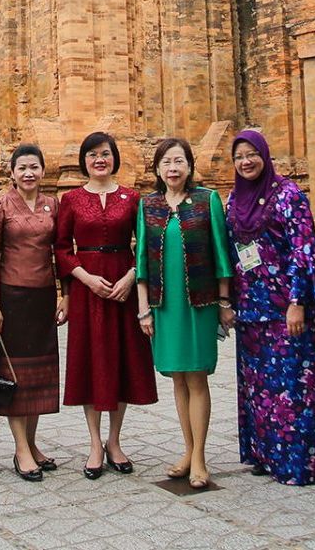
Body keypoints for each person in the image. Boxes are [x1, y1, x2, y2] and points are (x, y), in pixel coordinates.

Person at [226, 128, 315, 486]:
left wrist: (297, 302)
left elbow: (304, 249)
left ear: (265, 155)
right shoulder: (233, 200)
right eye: (239, 157)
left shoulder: (288, 194)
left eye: (251, 154)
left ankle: (301, 463)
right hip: (252, 305)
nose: (246, 162)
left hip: (289, 305)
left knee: (296, 385)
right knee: (259, 386)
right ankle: (266, 455)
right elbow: (231, 253)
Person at [135, 137, 234, 491]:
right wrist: (144, 310)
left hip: (200, 302)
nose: (172, 168)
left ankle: (201, 458)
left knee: (197, 377)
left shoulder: (207, 200)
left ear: (189, 166)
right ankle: (188, 451)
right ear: (158, 169)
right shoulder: (149, 205)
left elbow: (222, 253)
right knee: (177, 378)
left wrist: (224, 302)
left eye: (178, 161)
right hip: (165, 304)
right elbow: (142, 260)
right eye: (166, 163)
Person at [55, 131, 155, 479]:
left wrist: (131, 277)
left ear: (115, 158)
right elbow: (61, 248)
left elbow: (144, 245)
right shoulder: (71, 199)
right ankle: (95, 442)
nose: (100, 159)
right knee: (90, 359)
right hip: (88, 286)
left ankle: (115, 440)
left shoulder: (131, 197)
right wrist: (83, 279)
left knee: (120, 359)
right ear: (84, 160)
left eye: (105, 154)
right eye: (93, 154)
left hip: (122, 286)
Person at [0, 143, 65, 481]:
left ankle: (32, 444)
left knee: (38, 377)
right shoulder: (0, 204)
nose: (29, 173)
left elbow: (60, 251)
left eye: (34, 167)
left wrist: (64, 294)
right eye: (22, 168)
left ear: (43, 171)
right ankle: (20, 449)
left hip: (43, 296)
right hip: (13, 299)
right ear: (12, 173)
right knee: (15, 376)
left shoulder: (52, 204)